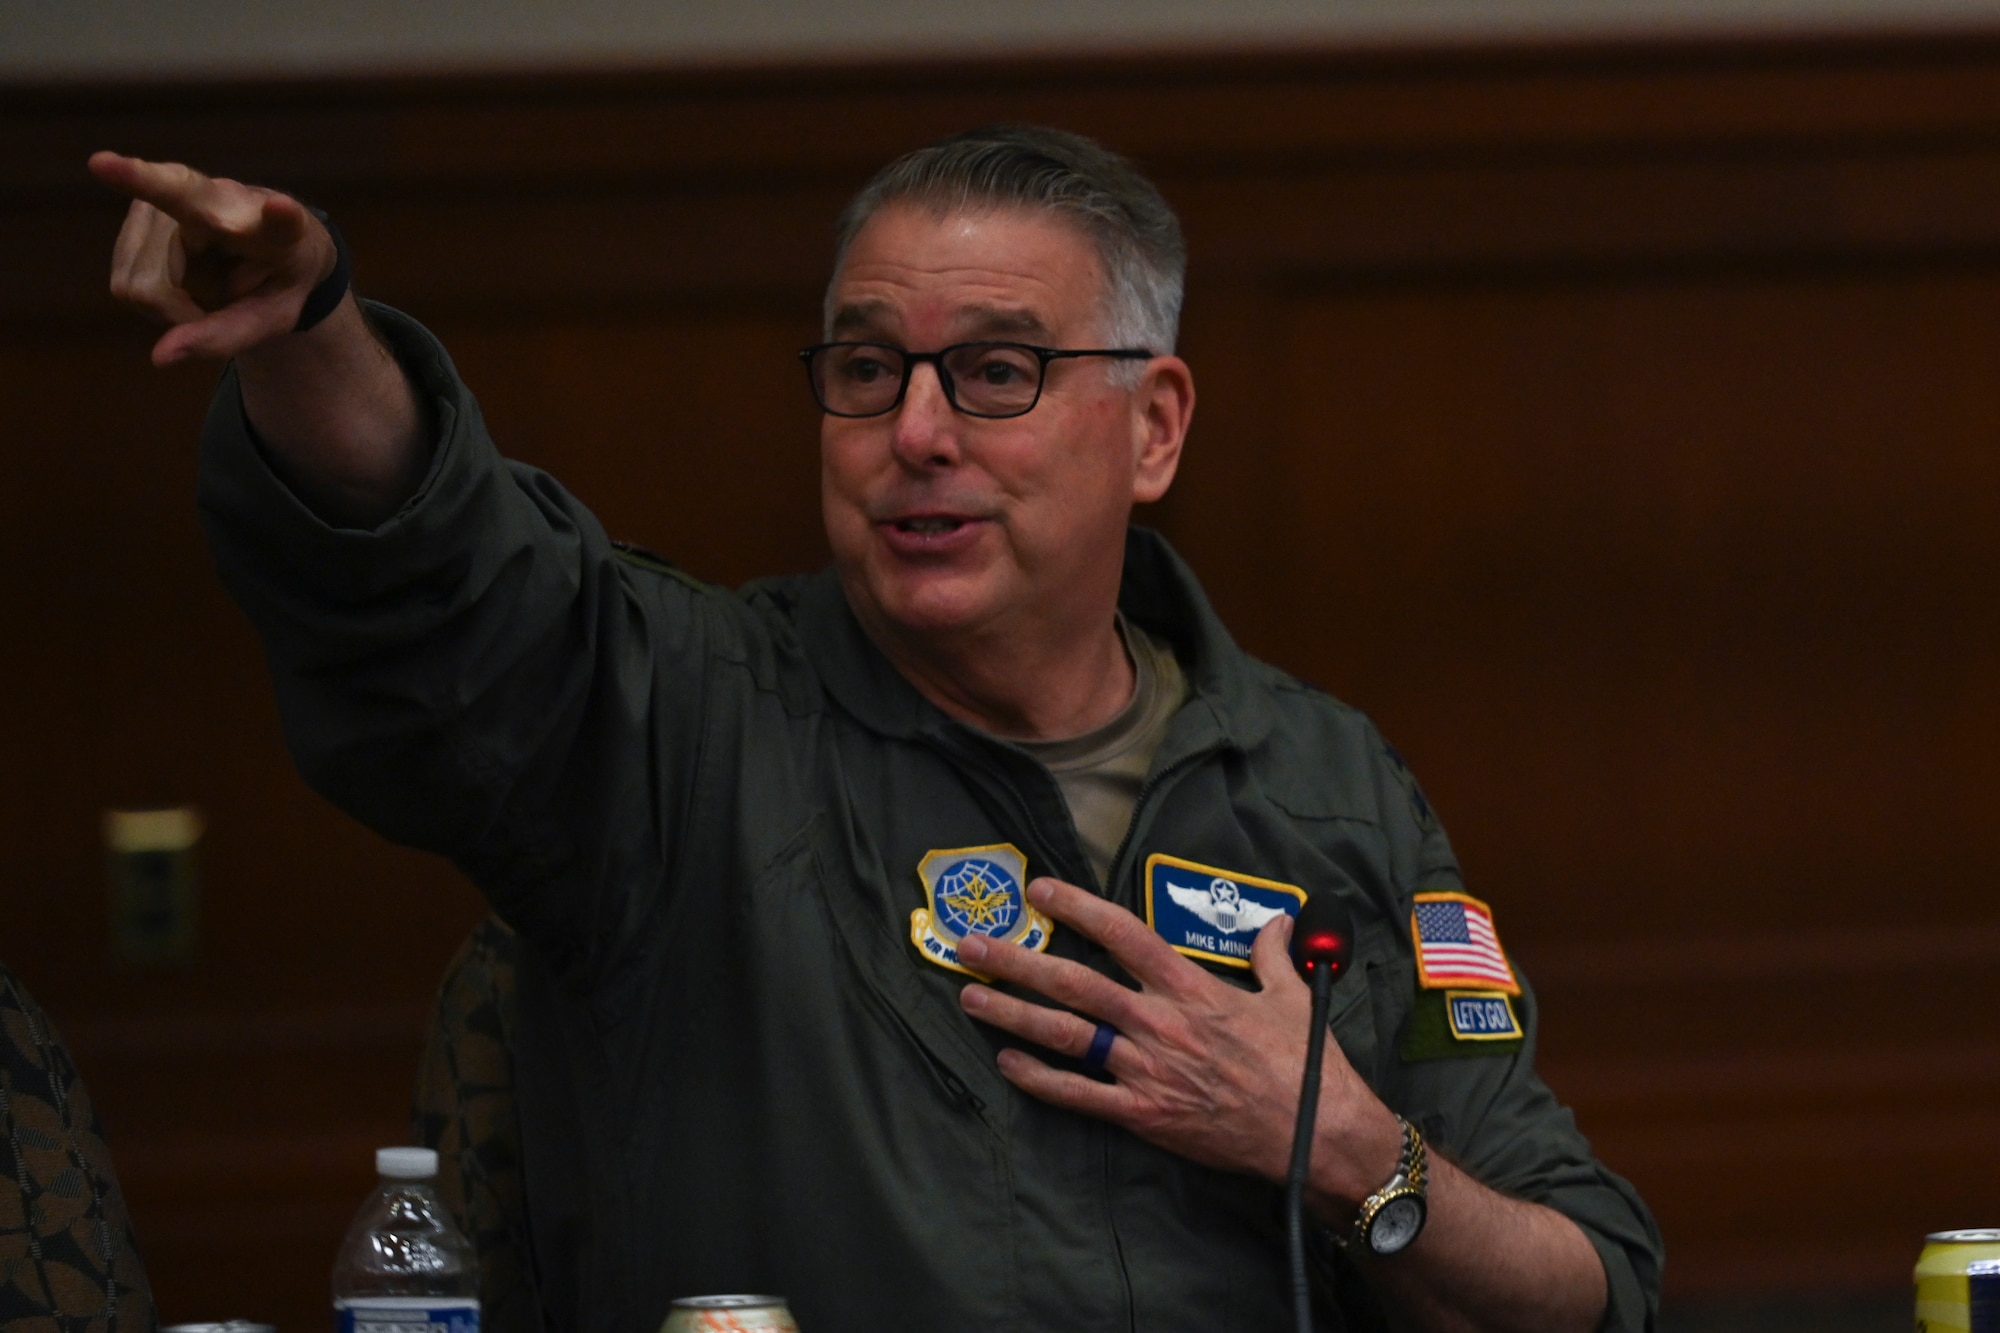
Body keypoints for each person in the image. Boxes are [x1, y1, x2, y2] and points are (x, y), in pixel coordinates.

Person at [89, 126, 1661, 1332]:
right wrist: (312, 334)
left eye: (995, 372)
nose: (914, 434)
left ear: (1156, 425)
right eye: (865, 369)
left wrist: (1345, 1152)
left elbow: (1590, 1273)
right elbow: (439, 577)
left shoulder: (1329, 789)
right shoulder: (670, 718)